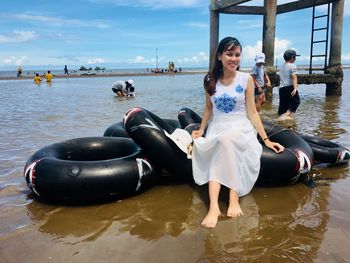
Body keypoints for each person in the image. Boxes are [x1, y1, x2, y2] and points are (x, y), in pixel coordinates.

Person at [191, 37, 284, 228]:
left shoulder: (246, 79)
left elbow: (252, 112)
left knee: (226, 140)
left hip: (240, 127)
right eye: (229, 54)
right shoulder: (210, 80)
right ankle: (214, 206)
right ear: (219, 56)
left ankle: (232, 197)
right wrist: (201, 129)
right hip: (218, 127)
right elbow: (209, 109)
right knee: (222, 139)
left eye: (237, 55)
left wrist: (266, 140)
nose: (234, 58)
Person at [277, 49, 300, 120]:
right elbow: (294, 77)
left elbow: (280, 78)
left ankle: (281, 118)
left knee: (283, 106)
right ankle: (283, 117)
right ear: (292, 57)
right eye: (295, 57)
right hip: (289, 88)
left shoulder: (282, 67)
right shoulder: (292, 65)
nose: (295, 59)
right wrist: (295, 88)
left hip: (281, 88)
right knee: (296, 102)